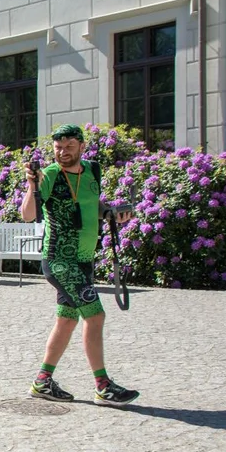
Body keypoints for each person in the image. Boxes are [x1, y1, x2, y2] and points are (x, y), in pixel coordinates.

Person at [21, 123, 139, 406]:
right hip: (60, 259)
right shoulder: (49, 176)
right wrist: (31, 185)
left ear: (82, 146)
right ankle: (103, 386)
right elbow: (27, 215)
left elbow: (91, 205)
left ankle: (42, 382)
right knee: (95, 316)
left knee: (67, 319)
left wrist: (110, 212)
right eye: (58, 148)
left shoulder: (92, 170)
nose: (63, 152)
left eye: (69, 147)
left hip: (84, 258)